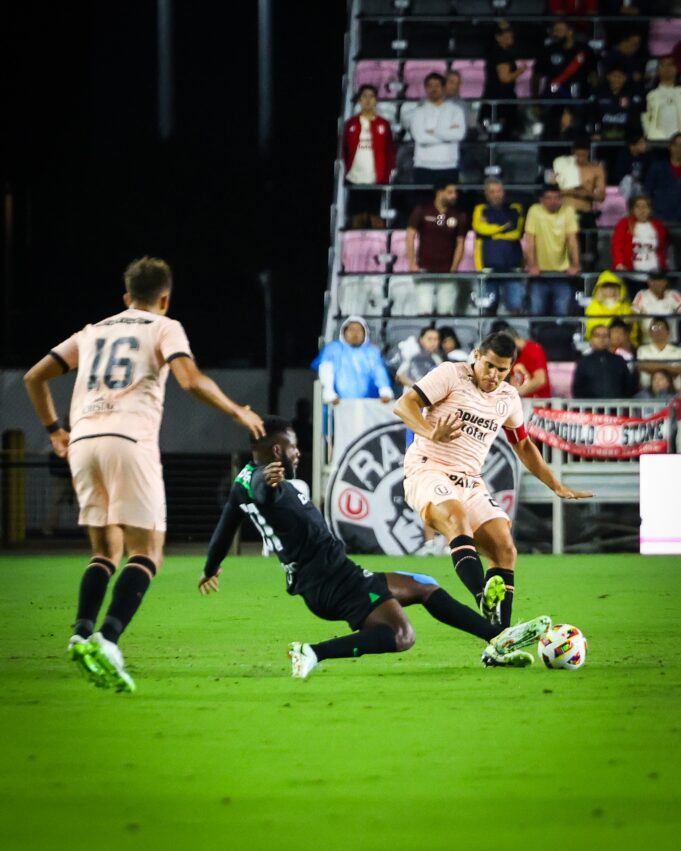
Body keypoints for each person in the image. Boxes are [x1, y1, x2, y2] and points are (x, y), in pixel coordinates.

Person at [22, 256, 265, 692]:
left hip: (82, 442)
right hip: (129, 441)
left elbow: (34, 377)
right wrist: (237, 411)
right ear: (165, 299)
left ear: (125, 297)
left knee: (105, 551)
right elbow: (190, 380)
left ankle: (80, 633)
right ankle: (108, 639)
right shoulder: (162, 327)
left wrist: (56, 431)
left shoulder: (92, 331)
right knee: (148, 550)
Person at [198, 417, 552, 675]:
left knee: (424, 587)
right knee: (401, 635)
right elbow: (266, 489)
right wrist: (270, 483)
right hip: (331, 581)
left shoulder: (240, 484)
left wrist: (210, 568)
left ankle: (497, 639)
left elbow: (223, 529)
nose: (298, 453)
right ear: (277, 450)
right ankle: (312, 653)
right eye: (294, 447)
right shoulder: (265, 479)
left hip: (330, 576)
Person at [394, 332, 592, 629]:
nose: (493, 375)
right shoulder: (451, 373)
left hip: (470, 480)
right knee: (457, 518)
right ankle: (483, 597)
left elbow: (523, 445)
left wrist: (555, 484)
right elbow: (404, 405)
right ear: (476, 355)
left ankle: (501, 638)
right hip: (428, 468)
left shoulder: (508, 397)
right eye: (489, 366)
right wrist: (430, 431)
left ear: (510, 369)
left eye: (502, 370)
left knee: (505, 549)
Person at [406, 181, 469, 315]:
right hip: (424, 269)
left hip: (447, 272)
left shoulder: (459, 216)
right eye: (450, 192)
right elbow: (410, 236)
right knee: (424, 311)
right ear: (440, 193)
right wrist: (412, 263)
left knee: (446, 313)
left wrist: (454, 268)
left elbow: (460, 243)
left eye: (455, 192)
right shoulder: (422, 210)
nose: (454, 196)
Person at [343, 84, 396, 228]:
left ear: (376, 100)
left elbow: (390, 151)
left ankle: (377, 246)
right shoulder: (350, 124)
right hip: (354, 177)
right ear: (359, 100)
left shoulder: (383, 124)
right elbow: (344, 150)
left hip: (375, 178)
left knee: (376, 218)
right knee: (357, 218)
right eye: (364, 96)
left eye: (371, 96)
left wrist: (388, 173)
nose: (367, 100)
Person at [524, 184, 581, 316]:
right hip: (540, 274)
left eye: (556, 198)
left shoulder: (568, 211)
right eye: (548, 198)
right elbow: (530, 241)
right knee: (536, 312)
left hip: (562, 273)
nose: (552, 201)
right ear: (541, 200)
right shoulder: (534, 211)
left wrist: (575, 264)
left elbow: (572, 241)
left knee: (562, 314)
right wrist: (532, 265)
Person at [472, 178, 525, 315]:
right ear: (486, 194)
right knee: (487, 308)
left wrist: (492, 231)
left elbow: (516, 233)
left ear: (504, 192)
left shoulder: (515, 208)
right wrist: (505, 226)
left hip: (512, 267)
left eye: (499, 191)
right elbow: (479, 228)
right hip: (487, 268)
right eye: (492, 191)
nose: (496, 194)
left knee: (515, 306)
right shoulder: (480, 209)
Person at [314, 315, 394, 405]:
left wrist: (385, 391)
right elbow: (326, 370)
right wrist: (329, 392)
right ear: (344, 332)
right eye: (351, 330)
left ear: (365, 333)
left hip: (367, 405)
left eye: (359, 330)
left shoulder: (372, 352)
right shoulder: (333, 349)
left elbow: (379, 373)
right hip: (339, 404)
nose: (355, 333)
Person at [410, 73, 466, 186]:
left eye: (437, 85)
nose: (433, 89)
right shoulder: (418, 112)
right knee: (423, 203)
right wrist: (447, 134)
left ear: (444, 88)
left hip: (449, 166)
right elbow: (421, 138)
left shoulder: (456, 110)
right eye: (430, 86)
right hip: (423, 166)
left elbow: (458, 135)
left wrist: (434, 131)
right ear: (425, 89)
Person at [480, 20, 527, 140]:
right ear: (498, 37)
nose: (510, 36)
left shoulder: (496, 52)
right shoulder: (500, 54)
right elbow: (505, 78)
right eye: (506, 34)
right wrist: (520, 71)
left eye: (511, 33)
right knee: (501, 133)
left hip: (495, 97)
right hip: (501, 99)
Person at [552, 137, 606, 231]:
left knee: (588, 243)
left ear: (588, 153)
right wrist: (570, 192)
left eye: (583, 155)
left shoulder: (596, 169)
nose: (581, 158)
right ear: (573, 153)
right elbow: (552, 191)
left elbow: (601, 197)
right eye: (578, 155)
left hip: (585, 213)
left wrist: (587, 194)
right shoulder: (562, 166)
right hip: (565, 213)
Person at [572, 324, 634, 398]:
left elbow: (627, 386)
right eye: (597, 335)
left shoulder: (618, 360)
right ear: (591, 340)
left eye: (605, 336)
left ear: (610, 339)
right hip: (589, 407)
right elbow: (577, 388)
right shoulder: (584, 362)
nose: (601, 339)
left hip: (616, 407)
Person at [611, 194, 668, 274]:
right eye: (638, 207)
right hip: (631, 274)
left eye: (645, 207)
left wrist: (663, 266)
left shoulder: (658, 226)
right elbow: (617, 246)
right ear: (632, 209)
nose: (642, 210)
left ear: (650, 209)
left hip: (654, 275)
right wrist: (619, 263)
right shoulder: (624, 224)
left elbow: (662, 248)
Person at [494, 323, 552, 398]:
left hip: (539, 400)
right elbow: (513, 380)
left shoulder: (534, 350)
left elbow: (540, 380)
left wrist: (519, 393)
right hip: (521, 401)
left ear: (515, 340)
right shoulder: (512, 355)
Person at [584, 270, 638, 344]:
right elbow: (593, 329)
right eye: (605, 287)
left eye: (612, 287)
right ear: (600, 289)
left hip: (623, 344)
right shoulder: (593, 307)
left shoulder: (626, 307)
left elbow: (633, 332)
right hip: (600, 343)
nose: (609, 290)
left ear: (618, 288)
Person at [632, 271, 681, 343]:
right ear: (649, 282)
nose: (656, 283)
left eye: (660, 280)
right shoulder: (642, 295)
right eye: (653, 280)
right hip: (648, 341)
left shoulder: (673, 294)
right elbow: (633, 315)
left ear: (665, 282)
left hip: (671, 341)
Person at [644, 132, 681, 224]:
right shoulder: (657, 167)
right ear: (670, 147)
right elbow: (648, 191)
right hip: (660, 217)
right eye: (675, 145)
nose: (678, 149)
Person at [636, 317, 681, 391]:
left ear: (668, 332)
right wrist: (669, 368)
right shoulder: (643, 350)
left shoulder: (678, 351)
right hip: (648, 392)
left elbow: (679, 370)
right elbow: (642, 366)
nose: (658, 331)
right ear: (650, 332)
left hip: (675, 391)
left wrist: (654, 366)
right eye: (655, 328)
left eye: (662, 328)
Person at [642, 55, 681, 141]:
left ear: (676, 69)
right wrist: (650, 135)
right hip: (656, 141)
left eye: (670, 65)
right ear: (657, 71)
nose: (667, 68)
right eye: (663, 65)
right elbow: (644, 118)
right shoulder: (650, 94)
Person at [395, 326, 442, 392]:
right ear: (421, 340)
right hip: (411, 395)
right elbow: (399, 376)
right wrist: (417, 388)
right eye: (429, 339)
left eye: (436, 339)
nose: (433, 342)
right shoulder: (411, 355)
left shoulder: (437, 359)